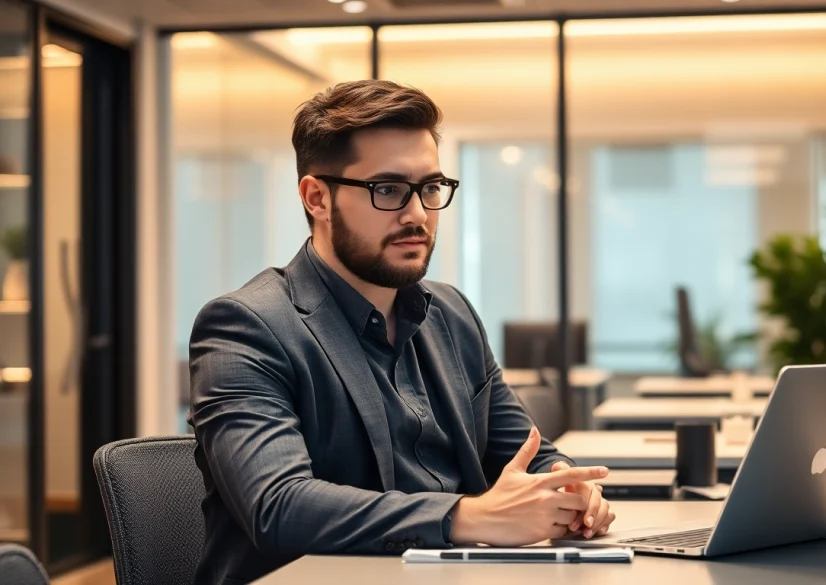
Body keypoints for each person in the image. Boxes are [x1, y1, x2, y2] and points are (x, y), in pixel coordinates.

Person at [187, 80, 616, 584]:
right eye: (387, 189)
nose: (417, 214)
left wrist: (566, 490)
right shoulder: (246, 327)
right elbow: (278, 505)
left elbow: (528, 451)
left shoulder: (452, 315)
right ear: (317, 197)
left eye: (430, 188)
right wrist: (465, 517)